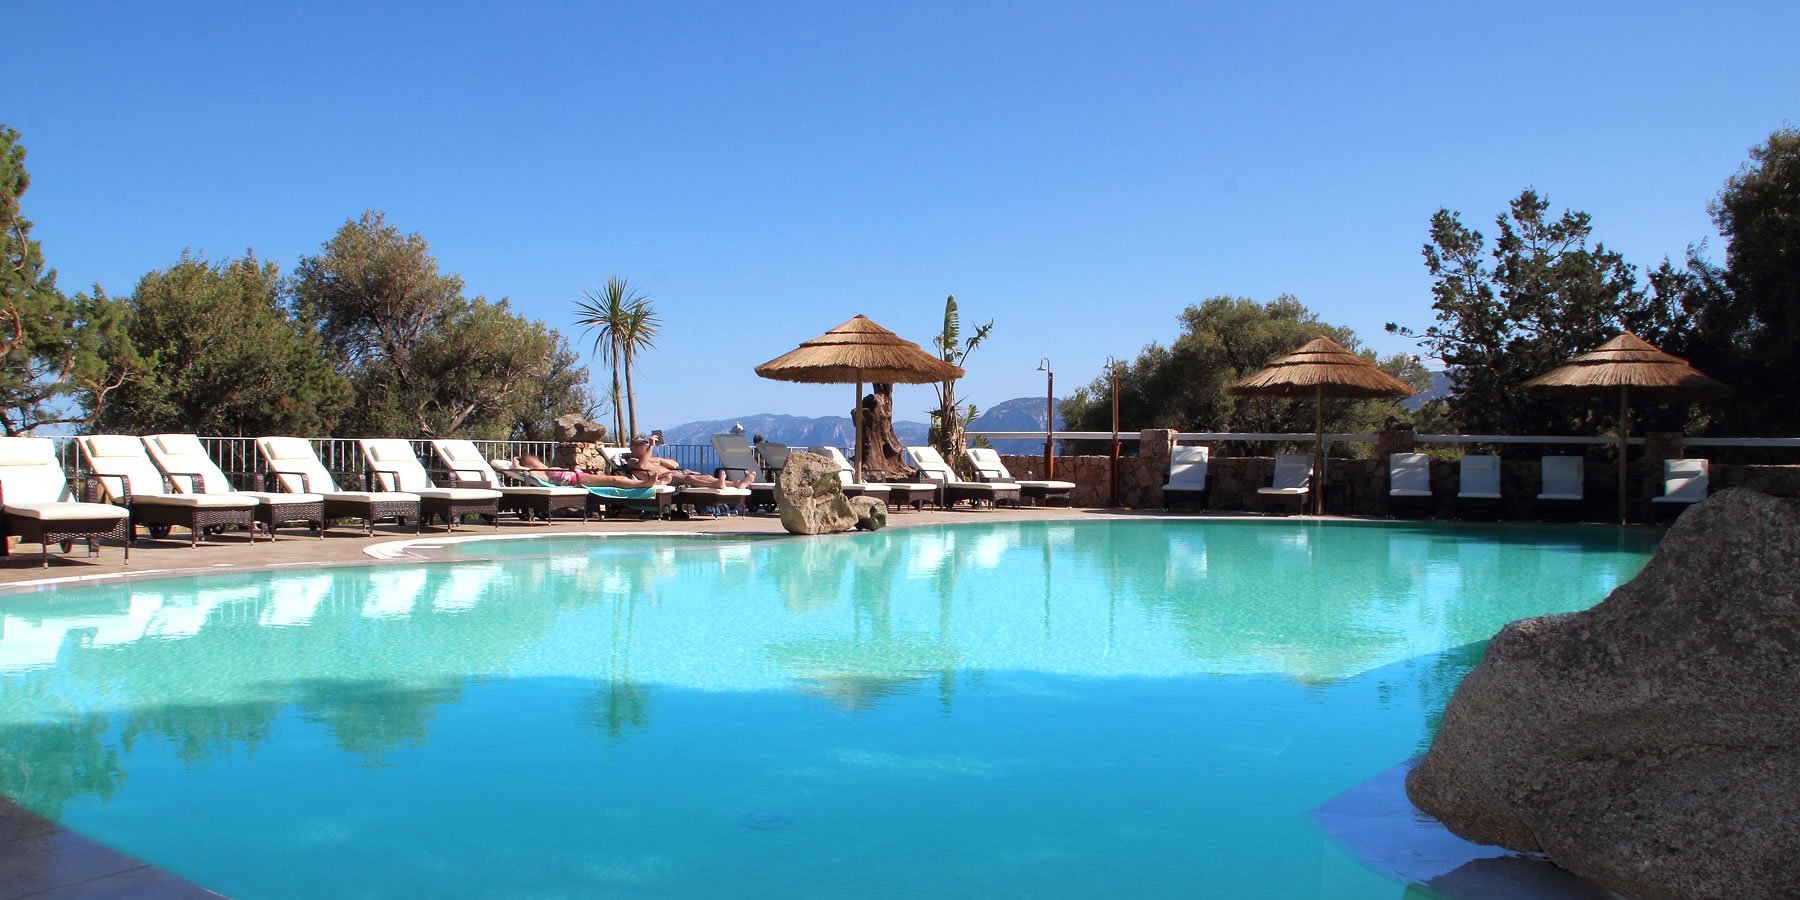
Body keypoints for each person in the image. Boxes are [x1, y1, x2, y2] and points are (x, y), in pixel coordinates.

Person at [627, 436, 754, 488]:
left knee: (706, 476)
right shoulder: (632, 460)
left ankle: (737, 483)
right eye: (641, 445)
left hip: (674, 473)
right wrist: (651, 446)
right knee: (690, 478)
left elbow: (675, 464)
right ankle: (719, 484)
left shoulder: (652, 458)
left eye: (644, 444)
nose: (644, 447)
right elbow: (642, 465)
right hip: (664, 478)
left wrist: (659, 459)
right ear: (633, 448)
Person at [512, 453, 666, 489]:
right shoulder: (536, 473)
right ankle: (644, 483)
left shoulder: (546, 468)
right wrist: (516, 460)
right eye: (532, 460)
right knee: (613, 480)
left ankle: (644, 483)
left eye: (536, 459)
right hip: (577, 480)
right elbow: (517, 469)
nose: (537, 461)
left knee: (612, 480)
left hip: (579, 475)